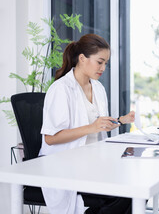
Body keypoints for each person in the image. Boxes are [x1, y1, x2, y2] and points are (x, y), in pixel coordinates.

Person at [39, 33, 135, 214]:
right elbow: (50, 138)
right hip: (67, 165)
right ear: (82, 59)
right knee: (125, 194)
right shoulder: (61, 89)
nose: (103, 68)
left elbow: (100, 125)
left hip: (94, 162)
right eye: (100, 62)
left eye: (106, 63)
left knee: (136, 185)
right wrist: (92, 127)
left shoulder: (98, 87)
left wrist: (121, 120)